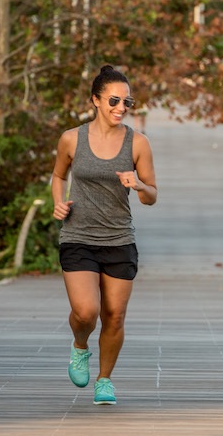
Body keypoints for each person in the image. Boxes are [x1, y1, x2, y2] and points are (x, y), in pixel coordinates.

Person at [51, 64, 158, 405]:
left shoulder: (138, 143)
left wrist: (138, 184)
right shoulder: (72, 138)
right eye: (114, 100)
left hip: (119, 240)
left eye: (128, 102)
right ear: (95, 100)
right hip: (78, 236)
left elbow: (151, 195)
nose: (121, 108)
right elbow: (58, 176)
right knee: (86, 312)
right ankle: (80, 346)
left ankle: (104, 380)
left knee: (114, 315)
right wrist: (58, 203)